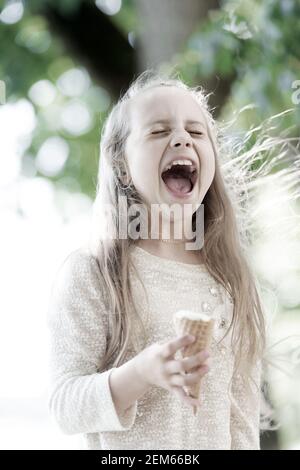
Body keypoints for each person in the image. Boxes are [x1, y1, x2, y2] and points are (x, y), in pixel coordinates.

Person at [47, 70, 268, 450]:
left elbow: (242, 423)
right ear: (121, 164)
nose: (182, 137)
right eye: (159, 130)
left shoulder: (232, 281)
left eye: (196, 133)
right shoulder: (96, 272)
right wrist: (142, 372)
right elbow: (65, 405)